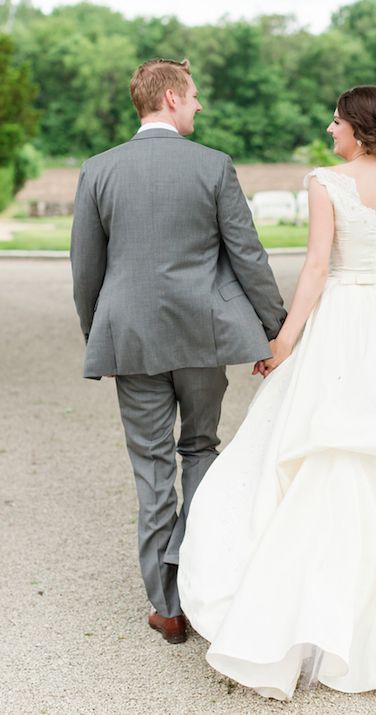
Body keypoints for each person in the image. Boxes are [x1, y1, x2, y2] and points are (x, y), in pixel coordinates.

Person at [177, 85, 376, 699]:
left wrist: (285, 340)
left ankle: (317, 620)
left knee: (332, 453)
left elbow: (318, 267)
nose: (330, 128)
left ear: (357, 127)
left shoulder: (325, 182)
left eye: (336, 119)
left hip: (346, 320)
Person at [70, 58, 286, 645]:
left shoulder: (97, 171)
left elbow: (85, 269)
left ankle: (166, 606)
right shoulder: (213, 166)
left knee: (152, 468)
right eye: (192, 97)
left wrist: (102, 338)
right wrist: (275, 327)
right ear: (169, 98)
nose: (198, 106)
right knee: (201, 452)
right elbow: (248, 255)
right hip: (203, 338)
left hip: (131, 339)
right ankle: (199, 584)